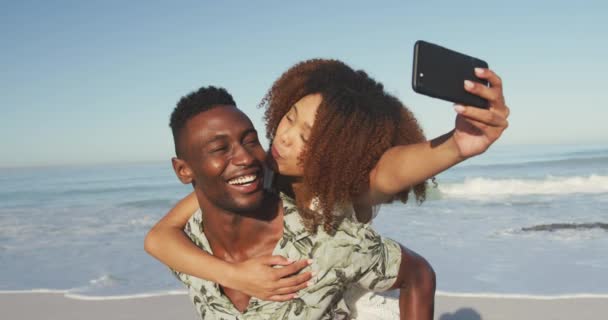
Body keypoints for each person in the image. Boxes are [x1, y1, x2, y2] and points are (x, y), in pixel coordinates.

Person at [145, 59, 509, 319]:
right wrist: (235, 275)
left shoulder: (332, 205)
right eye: (288, 119)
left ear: (335, 152)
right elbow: (160, 237)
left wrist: (456, 146)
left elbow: (386, 174)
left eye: (307, 137)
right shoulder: (253, 177)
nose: (284, 138)